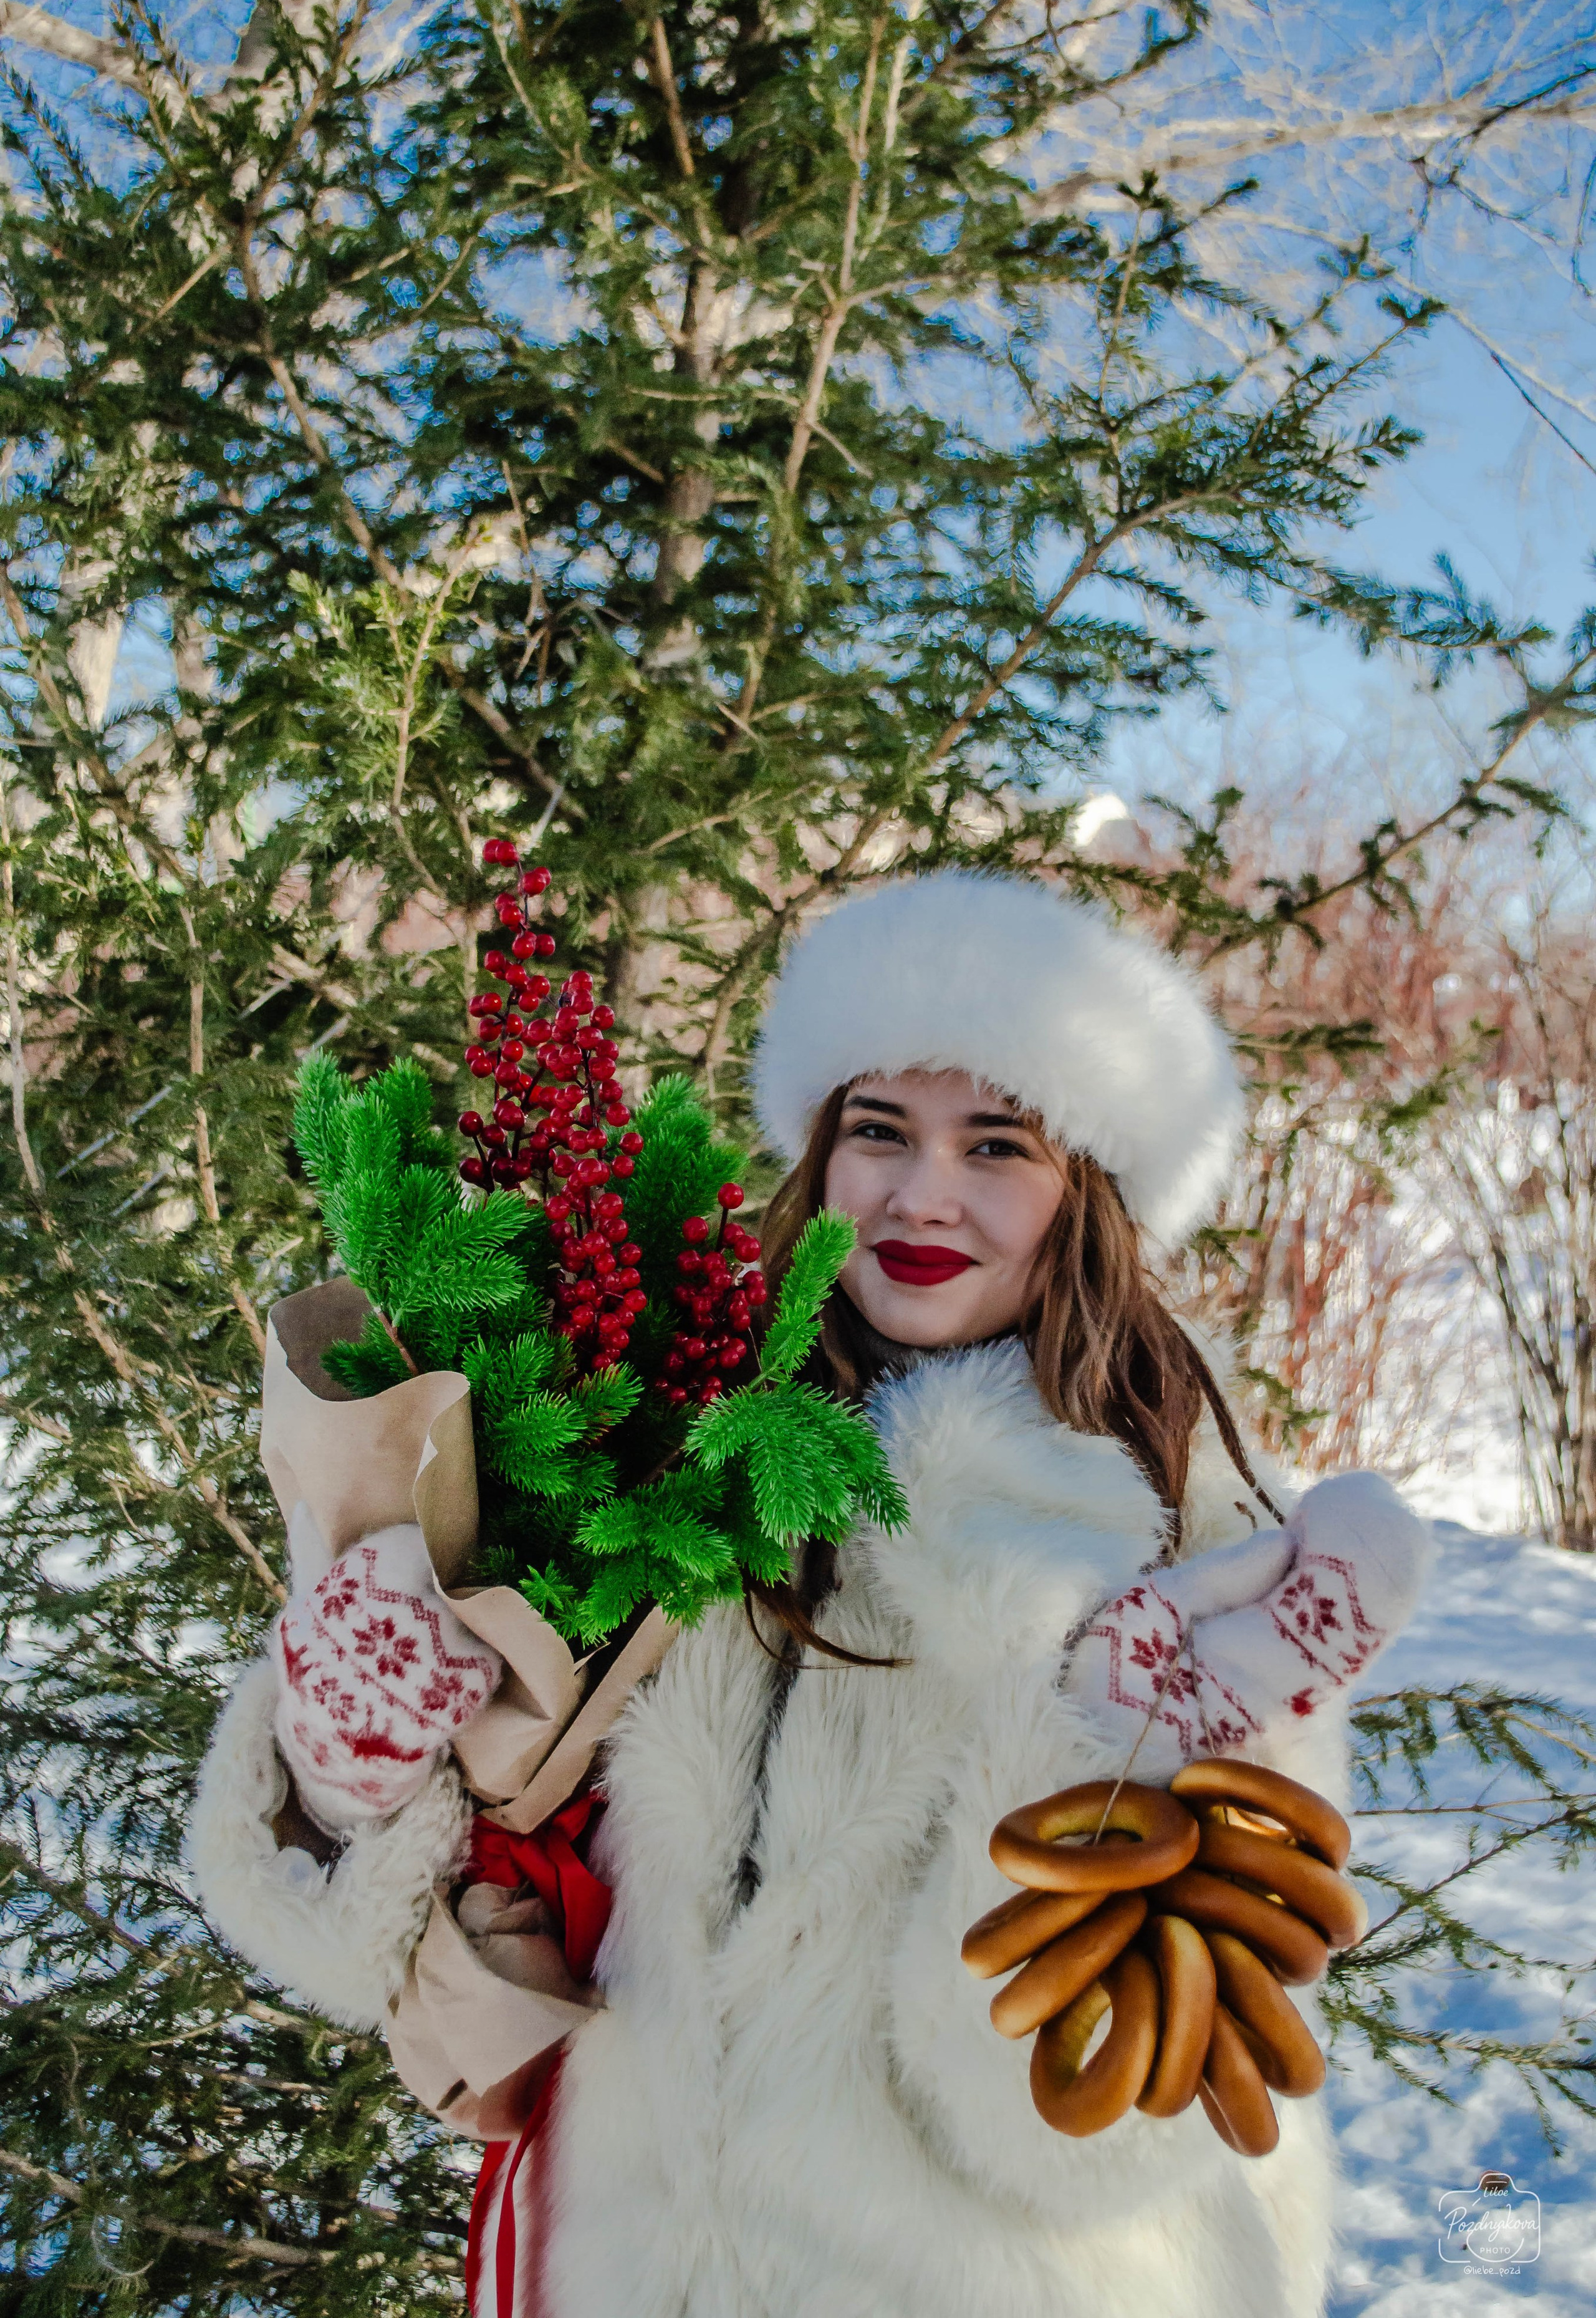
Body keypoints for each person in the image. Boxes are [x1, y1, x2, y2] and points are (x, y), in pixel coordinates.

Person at [190, 872, 1428, 2318]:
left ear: (1086, 1180)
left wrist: (1087, 1756)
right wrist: (352, 1768)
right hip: (628, 2266)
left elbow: (1114, 2128)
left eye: (996, 1144)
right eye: (879, 1130)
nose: (923, 1194)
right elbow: (465, 1893)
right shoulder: (667, 1429)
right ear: (818, 1149)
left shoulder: (1200, 1537)